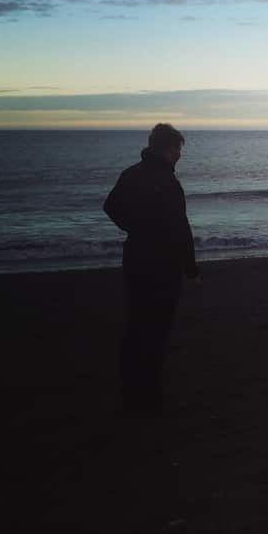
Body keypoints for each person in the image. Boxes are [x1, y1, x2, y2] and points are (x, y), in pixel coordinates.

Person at [104, 123, 200, 416]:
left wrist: (134, 227)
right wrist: (191, 268)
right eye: (178, 150)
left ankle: (131, 394)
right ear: (169, 149)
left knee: (136, 327)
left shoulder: (131, 174)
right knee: (157, 331)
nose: (180, 155)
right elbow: (180, 229)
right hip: (164, 264)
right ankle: (149, 397)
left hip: (135, 259)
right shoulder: (167, 182)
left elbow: (111, 206)